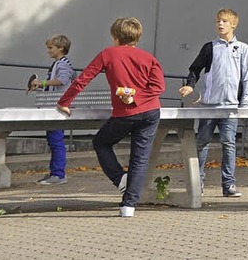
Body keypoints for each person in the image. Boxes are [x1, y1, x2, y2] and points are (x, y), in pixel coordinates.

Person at [57, 17, 165, 218]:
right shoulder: (148, 58)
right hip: (150, 112)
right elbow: (159, 87)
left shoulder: (108, 54)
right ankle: (129, 206)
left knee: (101, 142)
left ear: (115, 36)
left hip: (125, 113)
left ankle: (120, 179)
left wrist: (65, 101)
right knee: (140, 158)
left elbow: (83, 79)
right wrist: (138, 96)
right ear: (138, 37)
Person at [179, 7, 248, 198]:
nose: (220, 24)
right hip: (210, 106)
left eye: (225, 21)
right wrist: (190, 85)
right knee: (202, 143)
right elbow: (195, 69)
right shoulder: (210, 47)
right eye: (218, 21)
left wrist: (244, 104)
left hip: (230, 107)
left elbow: (246, 78)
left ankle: (228, 185)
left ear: (234, 24)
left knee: (228, 144)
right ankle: (198, 183)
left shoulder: (242, 48)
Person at [29, 34, 77, 185]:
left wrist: (42, 82)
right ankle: (54, 172)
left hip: (57, 109)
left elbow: (62, 80)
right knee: (53, 139)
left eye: (50, 48)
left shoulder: (62, 64)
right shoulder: (60, 63)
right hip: (55, 107)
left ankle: (58, 174)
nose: (48, 51)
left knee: (56, 141)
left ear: (60, 48)